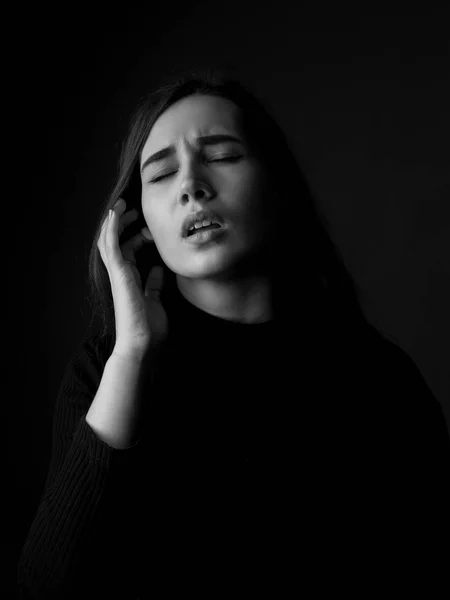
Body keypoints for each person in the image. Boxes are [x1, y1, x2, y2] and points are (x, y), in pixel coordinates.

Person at [17, 66, 450, 599]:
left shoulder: (379, 379)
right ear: (138, 221)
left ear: (276, 186)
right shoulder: (103, 372)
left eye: (221, 157)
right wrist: (130, 357)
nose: (191, 187)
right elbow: (40, 593)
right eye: (159, 174)